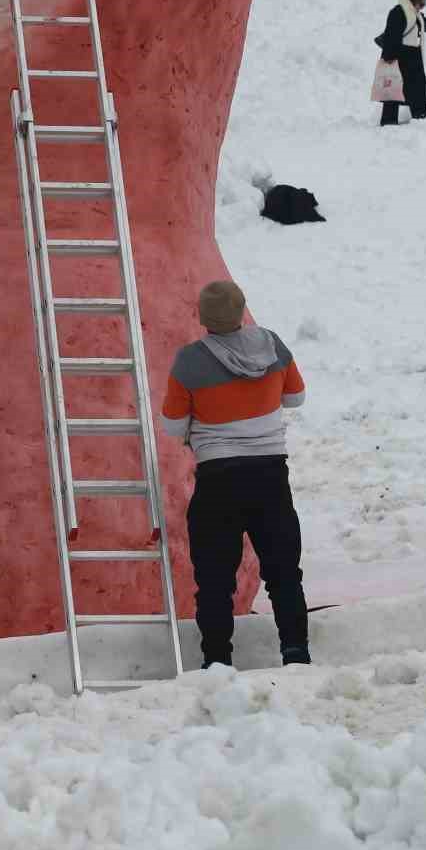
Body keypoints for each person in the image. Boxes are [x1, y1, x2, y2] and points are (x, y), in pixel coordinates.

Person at [162, 279, 310, 670]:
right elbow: (296, 397)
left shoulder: (190, 360)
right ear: (242, 309)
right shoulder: (272, 345)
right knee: (284, 573)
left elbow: (173, 425)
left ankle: (217, 661)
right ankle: (296, 654)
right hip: (271, 476)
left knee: (214, 580)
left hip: (219, 479)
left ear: (202, 316)